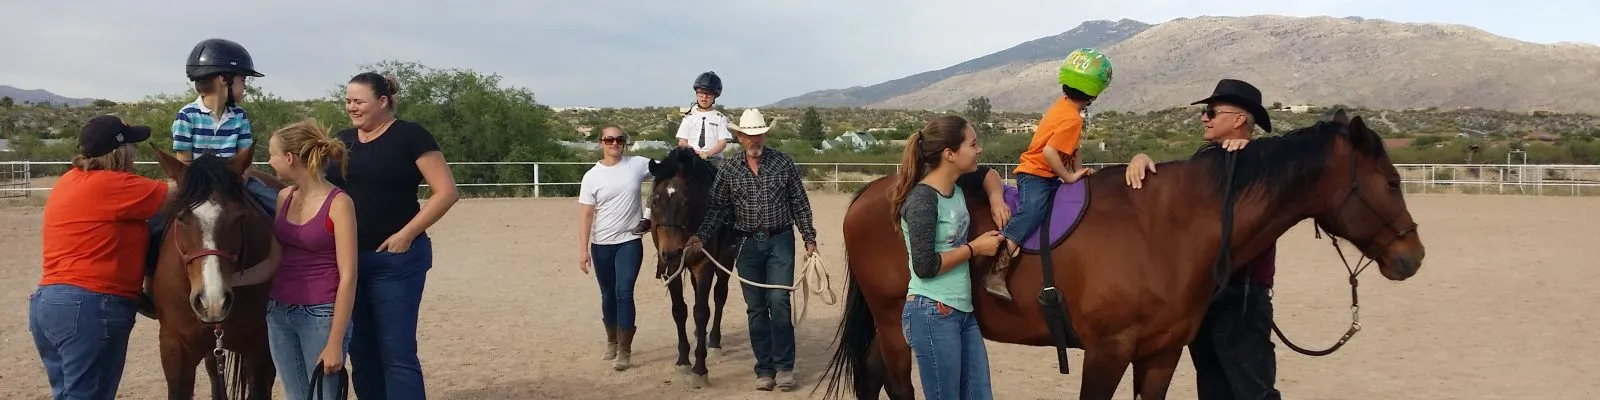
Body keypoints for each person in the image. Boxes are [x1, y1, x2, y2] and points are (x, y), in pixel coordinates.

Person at [1124, 78, 1280, 400]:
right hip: (1202, 294)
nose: (1204, 118)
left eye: (1211, 111)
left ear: (1239, 120)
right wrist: (1141, 158)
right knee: (1212, 389)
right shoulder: (1205, 162)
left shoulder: (1265, 164)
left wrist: (1255, 153)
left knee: (1254, 392)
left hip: (1243, 296)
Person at [326, 72, 460, 399]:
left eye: (359, 101)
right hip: (348, 265)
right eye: (348, 101)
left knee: (397, 354)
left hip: (396, 262)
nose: (351, 108)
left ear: (383, 101)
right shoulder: (342, 140)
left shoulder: (411, 136)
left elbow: (446, 192)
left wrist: (406, 234)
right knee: (361, 353)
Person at [30, 116, 169, 399]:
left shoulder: (69, 180)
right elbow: (182, 193)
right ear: (119, 152)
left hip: (48, 305)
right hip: (92, 307)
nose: (135, 153)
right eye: (131, 146)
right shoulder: (116, 185)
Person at [684, 108, 816, 392]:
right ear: (740, 137)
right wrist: (701, 236)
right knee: (756, 308)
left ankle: (783, 367)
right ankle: (764, 369)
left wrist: (809, 238)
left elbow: (799, 203)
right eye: (749, 136)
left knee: (779, 301)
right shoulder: (730, 169)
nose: (754, 140)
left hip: (779, 240)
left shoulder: (783, 163)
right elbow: (718, 208)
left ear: (765, 135)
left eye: (759, 135)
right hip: (745, 243)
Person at [141, 38, 276, 316]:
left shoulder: (239, 115)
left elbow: (244, 156)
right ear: (223, 81)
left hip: (234, 183)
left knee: (277, 205)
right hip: (196, 185)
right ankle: (146, 283)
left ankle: (287, 271)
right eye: (242, 80)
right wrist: (205, 183)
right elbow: (184, 163)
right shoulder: (186, 116)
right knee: (152, 225)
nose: (245, 87)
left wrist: (233, 181)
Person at [890, 115, 1006, 400]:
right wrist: (974, 249)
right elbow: (925, 266)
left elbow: (989, 174)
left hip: (962, 313)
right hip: (932, 311)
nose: (979, 150)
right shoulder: (922, 200)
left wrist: (996, 198)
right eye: (973, 144)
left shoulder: (957, 187)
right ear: (949, 154)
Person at [988, 47, 1114, 301]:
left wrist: (1078, 171)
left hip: (1046, 174)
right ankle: (997, 269)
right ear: (1095, 93)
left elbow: (1073, 147)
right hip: (1035, 175)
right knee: (1032, 211)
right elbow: (1049, 153)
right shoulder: (1073, 119)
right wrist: (1068, 177)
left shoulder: (1064, 106)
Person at [263, 119, 358, 399]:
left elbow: (349, 275)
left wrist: (335, 342)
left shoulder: (339, 203)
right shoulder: (284, 197)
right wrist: (231, 280)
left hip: (321, 315)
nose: (269, 162)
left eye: (272, 155)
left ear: (289, 158)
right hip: (279, 312)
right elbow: (273, 259)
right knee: (296, 396)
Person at [576, 126, 654, 371]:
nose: (614, 143)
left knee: (624, 292)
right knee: (608, 294)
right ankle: (611, 340)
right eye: (609, 139)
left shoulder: (637, 164)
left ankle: (624, 349)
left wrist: (649, 213)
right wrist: (583, 249)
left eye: (619, 139)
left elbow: (666, 170)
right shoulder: (592, 176)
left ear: (625, 143)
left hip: (629, 241)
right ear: (601, 143)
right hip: (601, 244)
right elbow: (586, 213)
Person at [633, 71, 732, 235]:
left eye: (708, 94)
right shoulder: (688, 118)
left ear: (715, 96)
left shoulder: (720, 118)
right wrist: (690, 151)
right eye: (701, 93)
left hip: (712, 159)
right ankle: (647, 217)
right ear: (696, 93)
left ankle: (730, 219)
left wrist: (707, 153)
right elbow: (682, 140)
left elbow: (723, 142)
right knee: (661, 177)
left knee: (728, 182)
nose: (704, 97)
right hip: (690, 159)